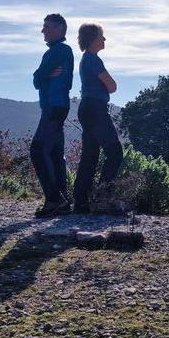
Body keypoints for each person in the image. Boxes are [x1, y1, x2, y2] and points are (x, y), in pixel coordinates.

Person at [72, 23, 123, 214]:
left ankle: (81, 201)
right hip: (96, 108)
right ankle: (102, 197)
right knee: (115, 152)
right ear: (93, 39)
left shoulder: (86, 59)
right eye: (102, 36)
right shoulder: (94, 60)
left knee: (90, 157)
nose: (104, 39)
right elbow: (112, 86)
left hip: (87, 108)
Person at [30, 13, 74, 217]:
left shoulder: (59, 51)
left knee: (38, 150)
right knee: (55, 154)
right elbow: (39, 78)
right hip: (59, 106)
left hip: (53, 107)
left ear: (59, 29)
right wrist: (43, 75)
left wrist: (42, 75)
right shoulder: (61, 51)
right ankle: (62, 199)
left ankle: (54, 199)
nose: (43, 31)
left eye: (46, 26)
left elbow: (37, 78)